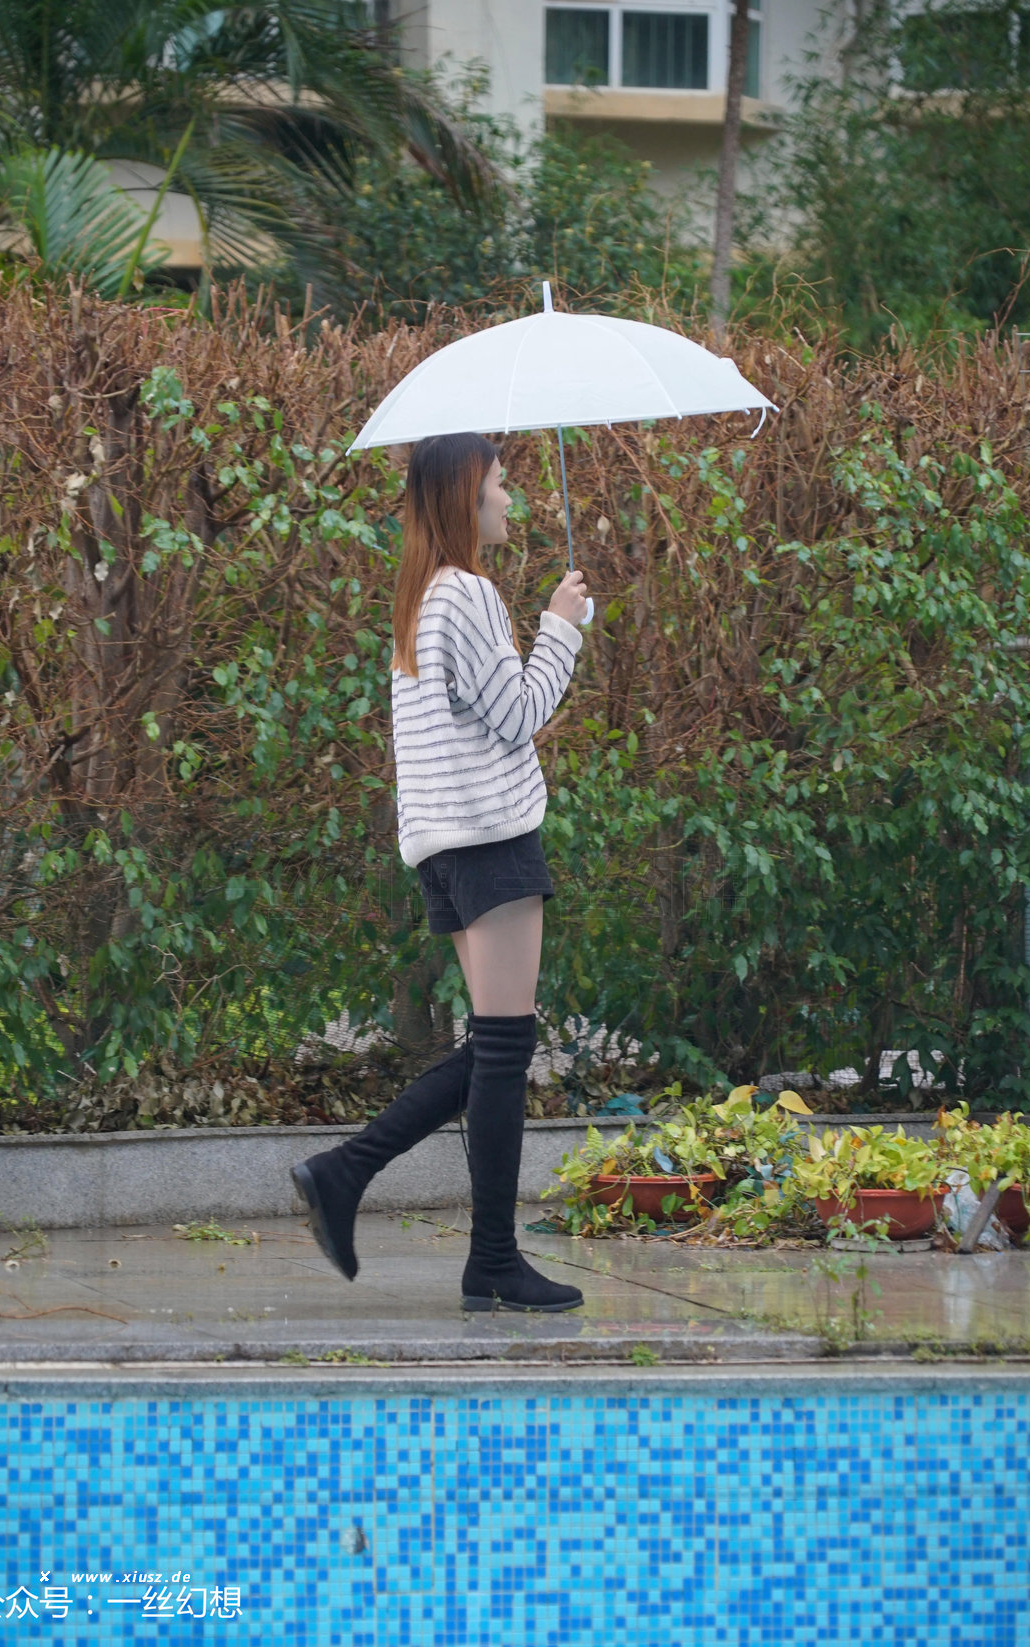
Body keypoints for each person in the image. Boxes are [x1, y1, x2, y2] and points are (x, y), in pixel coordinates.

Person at [291, 431, 589, 1312]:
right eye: (500, 483)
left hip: (446, 847)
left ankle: (346, 1174)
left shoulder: (420, 595)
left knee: (497, 1045)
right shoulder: (468, 592)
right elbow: (519, 713)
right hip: (490, 840)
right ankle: (488, 1255)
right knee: (505, 1047)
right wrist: (561, 628)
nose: (510, 498)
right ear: (466, 494)